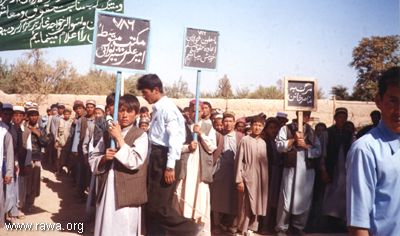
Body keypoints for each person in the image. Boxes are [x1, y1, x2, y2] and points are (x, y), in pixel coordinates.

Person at [136, 74, 201, 236]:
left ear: (155, 90)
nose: (144, 97)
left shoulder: (168, 109)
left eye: (145, 93)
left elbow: (174, 140)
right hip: (158, 157)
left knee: (158, 207)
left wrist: (170, 166)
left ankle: (190, 229)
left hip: (165, 159)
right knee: (152, 205)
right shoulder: (159, 109)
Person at [347, 67, 400, 235]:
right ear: (379, 101)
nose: (399, 110)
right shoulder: (365, 150)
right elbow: (358, 225)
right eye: (393, 100)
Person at [89, 94, 148, 236]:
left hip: (128, 192)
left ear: (136, 113)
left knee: (124, 227)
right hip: (107, 189)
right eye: (121, 111)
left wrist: (119, 138)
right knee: (106, 226)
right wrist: (104, 158)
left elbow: (135, 161)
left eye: (129, 111)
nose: (125, 115)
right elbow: (93, 157)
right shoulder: (107, 133)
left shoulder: (140, 135)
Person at [275, 111, 321, 235]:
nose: (305, 117)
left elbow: (318, 150)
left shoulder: (311, 131)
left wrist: (305, 145)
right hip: (291, 169)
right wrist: (292, 140)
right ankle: (281, 228)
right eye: (302, 114)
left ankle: (298, 227)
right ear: (297, 114)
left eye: (307, 114)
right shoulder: (286, 129)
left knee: (304, 199)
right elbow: (279, 146)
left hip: (307, 170)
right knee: (286, 199)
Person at [175, 99, 217, 235]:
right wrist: (188, 147)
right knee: (183, 198)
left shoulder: (208, 126)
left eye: (199, 111)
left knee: (200, 199)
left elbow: (211, 148)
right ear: (189, 111)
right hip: (186, 170)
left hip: (200, 171)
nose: (196, 113)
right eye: (193, 110)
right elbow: (175, 147)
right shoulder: (182, 126)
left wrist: (201, 134)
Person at [210, 111, 244, 234]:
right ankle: (216, 224)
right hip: (220, 170)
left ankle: (233, 224)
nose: (228, 124)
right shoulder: (218, 135)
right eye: (226, 121)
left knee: (235, 198)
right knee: (217, 198)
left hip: (235, 170)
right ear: (222, 123)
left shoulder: (240, 136)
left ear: (234, 122)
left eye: (230, 121)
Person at [320, 107, 353, 233]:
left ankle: (341, 222)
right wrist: (323, 170)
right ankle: (328, 223)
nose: (342, 119)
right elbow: (323, 153)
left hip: (345, 170)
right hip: (331, 169)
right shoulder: (327, 133)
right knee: (329, 196)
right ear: (335, 118)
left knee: (343, 196)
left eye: (344, 117)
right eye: (339, 117)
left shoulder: (349, 134)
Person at [235, 116, 268, 235]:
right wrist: (239, 180)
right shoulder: (245, 140)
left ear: (263, 127)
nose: (257, 127)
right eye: (255, 125)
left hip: (260, 179)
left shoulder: (263, 143)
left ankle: (252, 228)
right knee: (246, 204)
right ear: (251, 126)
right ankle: (242, 228)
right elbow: (239, 160)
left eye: (260, 125)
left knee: (258, 203)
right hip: (247, 176)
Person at [21, 105, 49, 213]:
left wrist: (38, 134)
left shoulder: (41, 129)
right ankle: (20, 204)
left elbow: (46, 143)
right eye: (31, 115)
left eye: (35, 115)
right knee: (24, 183)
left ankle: (29, 204)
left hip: (36, 159)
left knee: (33, 184)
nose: (33, 118)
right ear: (27, 117)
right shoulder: (23, 127)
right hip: (24, 159)